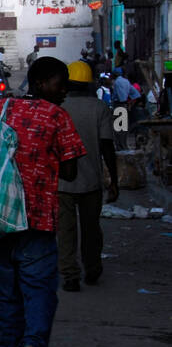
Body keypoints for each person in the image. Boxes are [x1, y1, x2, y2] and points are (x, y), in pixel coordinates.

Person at [0, 57, 85, 347]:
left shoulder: (3, 109)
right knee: (39, 291)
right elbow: (70, 171)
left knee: (7, 294)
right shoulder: (57, 116)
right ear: (41, 84)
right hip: (38, 220)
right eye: (60, 83)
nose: (65, 90)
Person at [57, 62, 118, 293]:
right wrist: (114, 180)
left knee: (65, 230)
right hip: (92, 181)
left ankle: (70, 274)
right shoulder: (100, 107)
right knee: (91, 228)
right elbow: (107, 146)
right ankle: (92, 268)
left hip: (62, 182)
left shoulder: (58, 108)